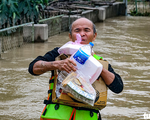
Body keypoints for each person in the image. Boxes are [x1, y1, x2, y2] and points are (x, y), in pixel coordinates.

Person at [28, 17, 123, 120]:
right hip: (58, 115)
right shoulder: (60, 54)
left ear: (94, 36)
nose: (82, 34)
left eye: (87, 30)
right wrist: (56, 64)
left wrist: (98, 68)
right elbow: (33, 68)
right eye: (77, 30)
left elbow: (118, 87)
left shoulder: (101, 62)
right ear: (70, 36)